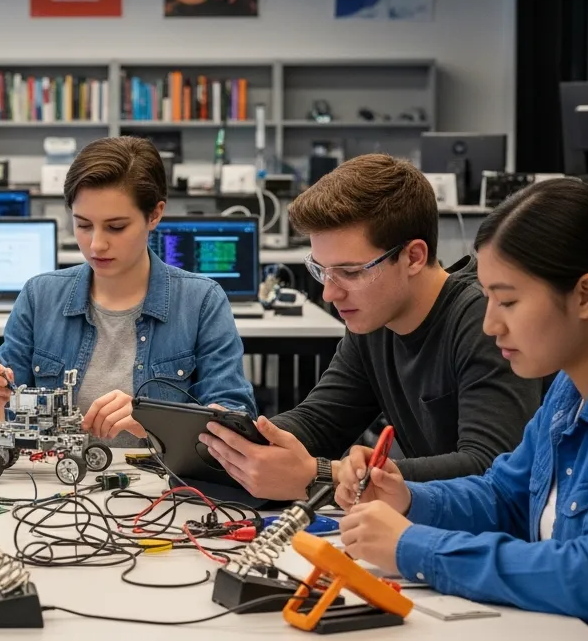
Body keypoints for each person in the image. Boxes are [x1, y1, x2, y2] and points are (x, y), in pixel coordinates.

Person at [338, 178, 588, 637]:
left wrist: (413, 546)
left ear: (586, 296)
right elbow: (505, 496)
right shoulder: (571, 386)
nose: (491, 324)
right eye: (488, 299)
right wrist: (409, 499)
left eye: (508, 301)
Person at [196, 154, 541, 501]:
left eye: (350, 272)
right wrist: (245, 442)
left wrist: (323, 476)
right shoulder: (375, 319)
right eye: (322, 271)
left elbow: (491, 468)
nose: (330, 293)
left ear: (413, 257)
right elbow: (321, 421)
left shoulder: (484, 322)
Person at [0, 136, 256, 448]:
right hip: (55, 476)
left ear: (155, 215)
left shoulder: (201, 302)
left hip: (159, 477)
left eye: (116, 227)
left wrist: (157, 422)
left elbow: (236, 421)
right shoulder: (40, 296)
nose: (96, 244)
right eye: (83, 225)